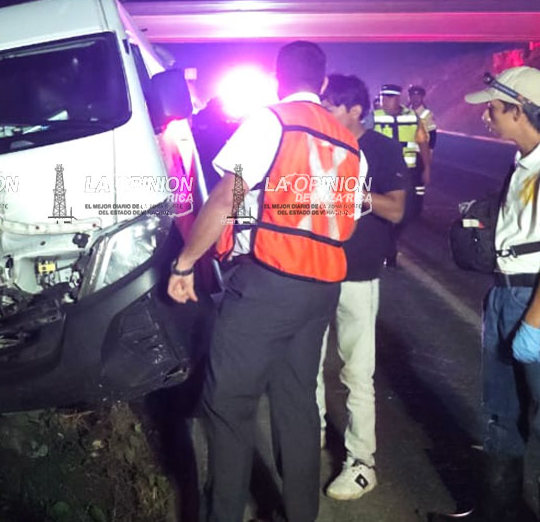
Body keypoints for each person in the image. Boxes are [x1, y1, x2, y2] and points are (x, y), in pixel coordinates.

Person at [167, 41, 367, 522]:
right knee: (297, 404)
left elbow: (225, 199)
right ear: (322, 82)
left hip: (267, 283)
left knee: (227, 405)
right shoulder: (348, 141)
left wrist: (185, 263)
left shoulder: (273, 120)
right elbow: (351, 218)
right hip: (320, 289)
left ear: (279, 78)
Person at [430, 66, 540, 521]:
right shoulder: (523, 163)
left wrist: (533, 323)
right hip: (506, 294)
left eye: (493, 108)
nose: (486, 116)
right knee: (500, 410)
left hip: (532, 301)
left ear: (520, 110)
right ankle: (499, 512)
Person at [314, 74, 408, 501]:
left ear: (355, 109)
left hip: (359, 273)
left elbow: (394, 209)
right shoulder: (319, 144)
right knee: (306, 364)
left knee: (357, 372)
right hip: (314, 269)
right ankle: (309, 434)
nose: (324, 112)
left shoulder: (382, 148)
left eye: (331, 105)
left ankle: (361, 462)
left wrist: (354, 193)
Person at [372, 84, 431, 267]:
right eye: (383, 98)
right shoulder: (373, 117)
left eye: (389, 98)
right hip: (382, 172)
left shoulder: (412, 117)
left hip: (408, 171)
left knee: (409, 212)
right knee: (386, 213)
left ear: (397, 99)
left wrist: (427, 168)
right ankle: (388, 251)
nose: (385, 102)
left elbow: (422, 143)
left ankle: (390, 241)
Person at [408, 84, 439, 150]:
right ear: (410, 98)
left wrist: (429, 150)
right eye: (413, 96)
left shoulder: (427, 114)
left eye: (418, 97)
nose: (415, 99)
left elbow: (432, 134)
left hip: (421, 152)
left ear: (422, 98)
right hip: (406, 151)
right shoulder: (404, 113)